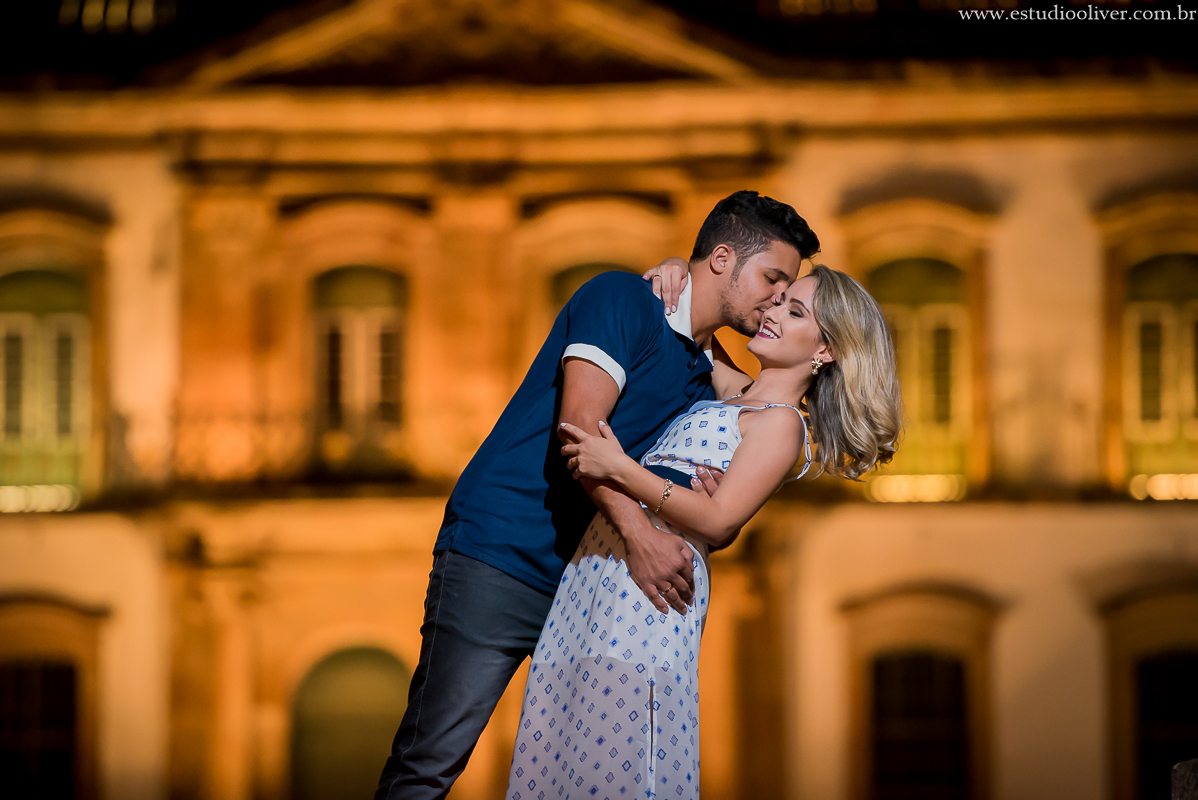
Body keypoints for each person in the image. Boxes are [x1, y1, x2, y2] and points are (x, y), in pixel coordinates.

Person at [376, 191, 820, 799]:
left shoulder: (705, 374)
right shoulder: (620, 298)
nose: (776, 298)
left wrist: (718, 513)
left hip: (590, 586)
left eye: (788, 290)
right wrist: (641, 536)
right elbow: (580, 428)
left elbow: (759, 430)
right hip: (500, 555)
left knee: (574, 774)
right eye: (772, 279)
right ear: (722, 259)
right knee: (430, 761)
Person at [505, 264, 902, 800]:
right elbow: (703, 321)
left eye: (794, 311)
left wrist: (619, 467)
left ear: (825, 350)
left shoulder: (784, 424)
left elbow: (719, 520)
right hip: (597, 571)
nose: (773, 312)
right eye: (779, 299)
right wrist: (677, 270)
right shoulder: (736, 393)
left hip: (650, 588)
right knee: (563, 741)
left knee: (618, 756)